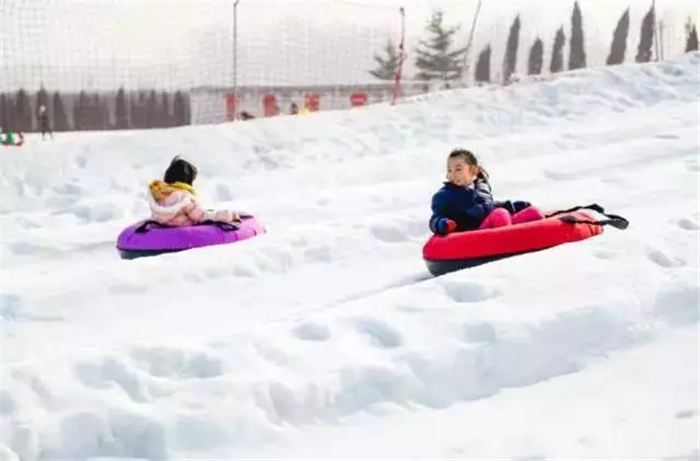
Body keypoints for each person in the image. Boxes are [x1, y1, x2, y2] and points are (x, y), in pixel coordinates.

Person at [429, 148, 545, 235]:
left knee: (533, 212)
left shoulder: (482, 187)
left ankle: (524, 238)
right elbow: (436, 217)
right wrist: (442, 223)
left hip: (495, 225)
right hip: (473, 233)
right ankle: (509, 240)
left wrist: (513, 206)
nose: (452, 174)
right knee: (500, 214)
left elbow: (488, 207)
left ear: (474, 170)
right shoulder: (444, 195)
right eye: (449, 170)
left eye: (458, 169)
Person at [148, 156, 241, 226]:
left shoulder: (159, 194)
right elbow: (201, 216)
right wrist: (228, 215)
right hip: (180, 235)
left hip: (160, 233)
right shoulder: (184, 197)